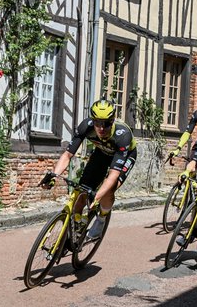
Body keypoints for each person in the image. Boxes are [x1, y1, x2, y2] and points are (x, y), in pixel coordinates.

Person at [41, 99, 137, 239]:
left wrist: (97, 196)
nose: (102, 128)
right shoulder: (86, 126)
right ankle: (77, 225)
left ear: (113, 120)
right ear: (93, 121)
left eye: (107, 123)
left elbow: (113, 175)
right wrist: (54, 176)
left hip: (125, 156)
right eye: (98, 123)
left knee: (108, 190)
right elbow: (67, 155)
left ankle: (102, 219)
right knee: (82, 190)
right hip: (101, 154)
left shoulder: (122, 135)